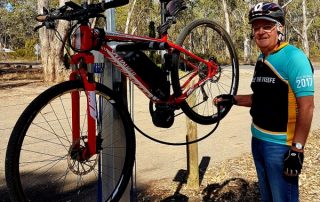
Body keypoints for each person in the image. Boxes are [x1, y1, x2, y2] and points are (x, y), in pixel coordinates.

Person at [214, 2, 314, 202]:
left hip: (280, 146)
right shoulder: (261, 59)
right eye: (256, 27)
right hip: (257, 140)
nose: (260, 31)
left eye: (267, 26)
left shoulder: (294, 57)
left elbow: (307, 106)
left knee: (283, 198)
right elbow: (261, 98)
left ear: (280, 28)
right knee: (267, 197)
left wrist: (297, 149)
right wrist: (233, 99)